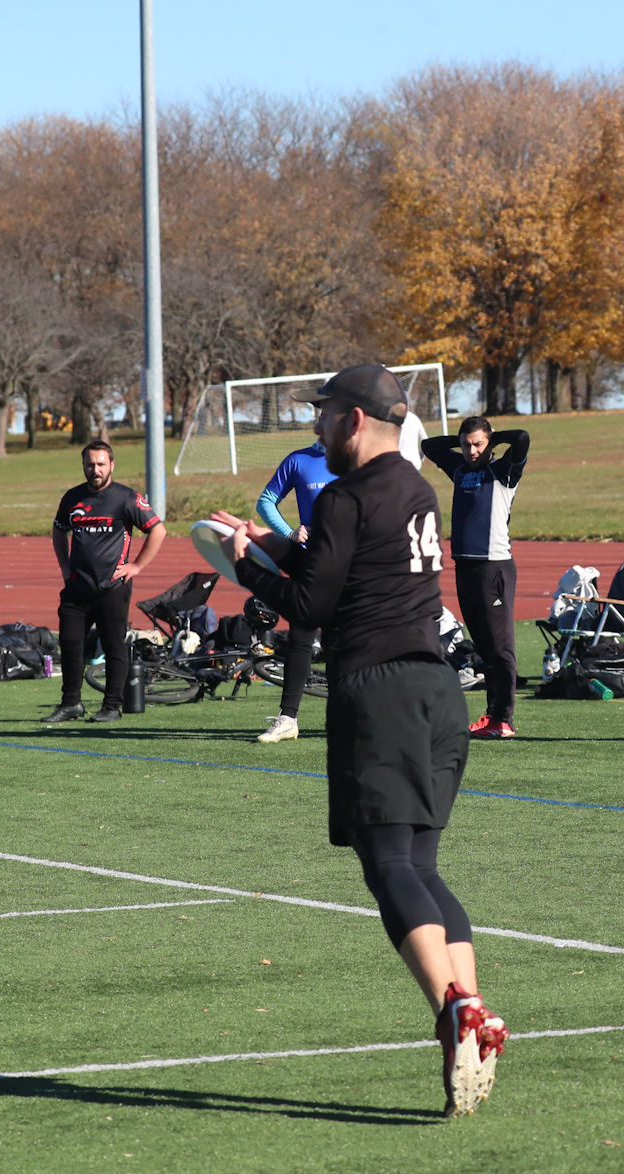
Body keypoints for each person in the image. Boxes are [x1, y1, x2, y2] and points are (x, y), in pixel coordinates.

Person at [214, 363, 507, 1117]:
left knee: (389, 868)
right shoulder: (417, 489)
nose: (315, 428)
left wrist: (246, 566)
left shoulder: (344, 496)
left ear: (352, 419)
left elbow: (310, 605)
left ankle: (453, 1009)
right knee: (422, 866)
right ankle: (473, 1012)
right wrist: (271, 546)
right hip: (438, 692)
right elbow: (343, 571)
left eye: (322, 415)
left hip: (380, 694)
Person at [45, 440, 166, 725]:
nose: (95, 469)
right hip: (77, 587)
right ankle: (71, 704)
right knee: (70, 644)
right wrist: (64, 566)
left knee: (113, 647)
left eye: (101, 464)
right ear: (83, 466)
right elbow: (59, 530)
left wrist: (136, 566)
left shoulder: (127, 498)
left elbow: (158, 531)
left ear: (112, 465)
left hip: (112, 587)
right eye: (90, 464)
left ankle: (112, 706)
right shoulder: (72, 497)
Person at [424, 417, 530, 739]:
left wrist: (493, 439)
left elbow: (522, 438)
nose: (471, 451)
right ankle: (492, 715)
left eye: (478, 444)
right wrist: (460, 442)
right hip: (465, 567)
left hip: (493, 567)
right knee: (484, 648)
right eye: (466, 445)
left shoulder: (503, 470)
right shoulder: (460, 468)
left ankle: (504, 720)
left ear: (490, 442)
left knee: (500, 647)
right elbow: (429, 446)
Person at [250, 435, 336, 743]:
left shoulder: (358, 457)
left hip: (351, 564)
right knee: (301, 639)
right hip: (309, 563)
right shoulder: (298, 460)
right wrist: (289, 532)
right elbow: (265, 501)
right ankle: (288, 719)